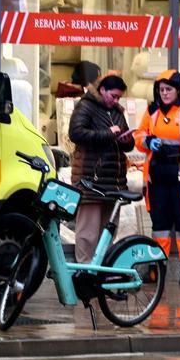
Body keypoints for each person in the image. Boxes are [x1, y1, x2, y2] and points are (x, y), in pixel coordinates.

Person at [135, 69, 180, 286]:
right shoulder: (152, 111)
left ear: (178, 90)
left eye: (168, 89)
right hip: (158, 178)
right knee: (160, 225)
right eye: (161, 90)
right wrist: (148, 141)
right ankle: (156, 269)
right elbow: (139, 135)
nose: (165, 93)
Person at [68, 74, 134, 264]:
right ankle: (85, 268)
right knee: (88, 231)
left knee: (108, 230)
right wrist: (107, 133)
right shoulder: (86, 106)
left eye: (119, 97)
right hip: (91, 180)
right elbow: (76, 133)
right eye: (113, 96)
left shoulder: (117, 111)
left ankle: (103, 268)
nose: (116, 101)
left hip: (114, 182)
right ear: (102, 90)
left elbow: (128, 144)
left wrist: (126, 140)